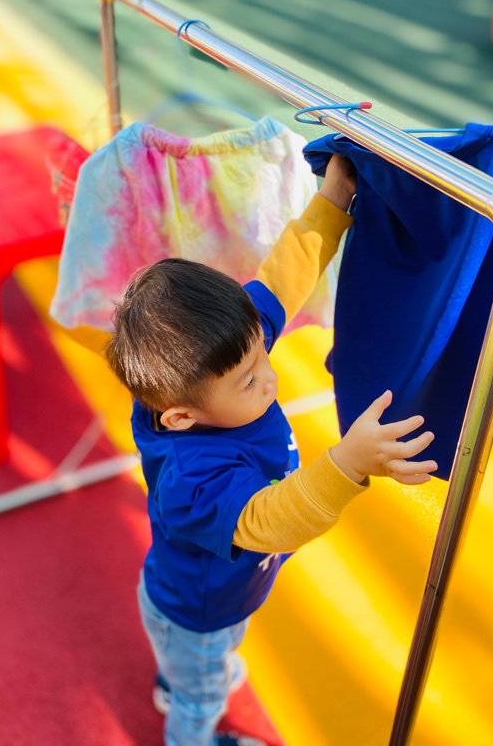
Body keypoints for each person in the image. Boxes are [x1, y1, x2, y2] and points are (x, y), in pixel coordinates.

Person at [106, 154, 438, 746]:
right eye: (249, 381)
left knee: (199, 666)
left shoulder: (223, 353)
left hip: (217, 596)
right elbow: (268, 521)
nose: (270, 376)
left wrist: (331, 202)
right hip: (199, 612)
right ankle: (190, 727)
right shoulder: (192, 477)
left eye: (264, 354)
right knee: (203, 695)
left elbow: (283, 277)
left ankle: (178, 679)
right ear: (182, 417)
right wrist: (347, 464)